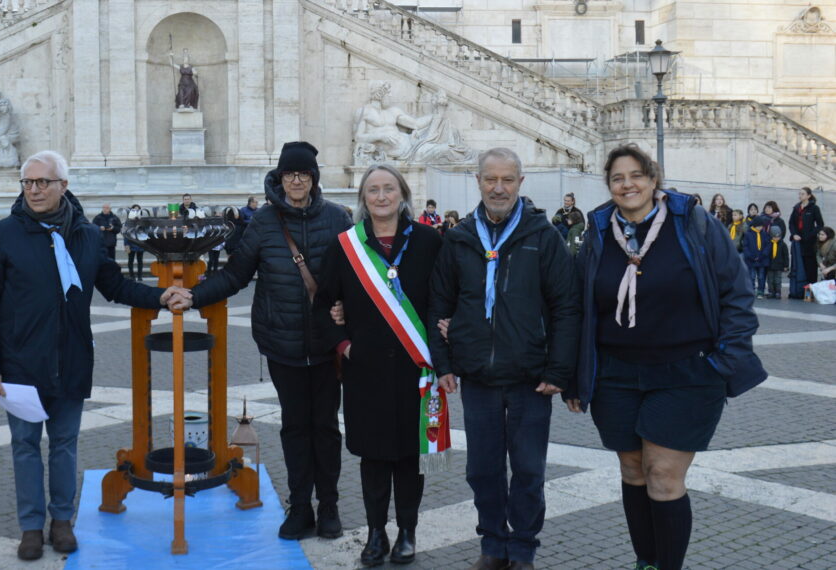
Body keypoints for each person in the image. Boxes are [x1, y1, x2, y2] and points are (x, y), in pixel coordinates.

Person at [0, 150, 187, 561]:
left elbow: (116, 285)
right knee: (24, 445)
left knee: (65, 445)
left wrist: (160, 295)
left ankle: (62, 521)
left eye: (42, 182)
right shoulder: (4, 235)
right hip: (19, 363)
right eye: (28, 183)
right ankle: (31, 527)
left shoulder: (87, 236)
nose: (34, 190)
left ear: (62, 187)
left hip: (70, 357)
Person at [571, 144, 765, 570]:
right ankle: (647, 561)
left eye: (637, 175)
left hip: (687, 372)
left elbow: (736, 292)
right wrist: (575, 372)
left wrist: (724, 359)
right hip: (616, 375)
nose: (628, 184)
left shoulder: (693, 223)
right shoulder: (600, 231)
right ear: (609, 186)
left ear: (654, 179)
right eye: (618, 178)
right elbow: (577, 304)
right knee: (633, 470)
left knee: (662, 474)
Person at [176, 141, 353, 541]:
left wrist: (350, 315)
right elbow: (236, 276)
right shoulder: (264, 223)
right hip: (283, 345)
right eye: (289, 174)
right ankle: (300, 506)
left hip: (327, 347)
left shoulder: (338, 219)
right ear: (279, 178)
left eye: (303, 174)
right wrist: (194, 295)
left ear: (313, 178)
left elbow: (355, 279)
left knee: (325, 427)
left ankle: (329, 507)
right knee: (294, 428)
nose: (296, 181)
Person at [427, 147, 580, 570]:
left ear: (520, 184)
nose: (499, 188)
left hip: (532, 378)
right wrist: (443, 363)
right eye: (490, 179)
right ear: (477, 181)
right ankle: (493, 544)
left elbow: (566, 307)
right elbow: (438, 304)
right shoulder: (458, 239)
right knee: (483, 470)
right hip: (477, 376)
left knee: (528, 470)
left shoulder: (543, 237)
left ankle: (524, 547)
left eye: (507, 180)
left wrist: (559, 370)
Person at [317, 165, 445, 566]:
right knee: (373, 458)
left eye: (389, 188)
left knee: (410, 456)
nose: (382, 196)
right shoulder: (345, 246)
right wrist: (344, 345)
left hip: (416, 371)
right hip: (365, 372)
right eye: (373, 190)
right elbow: (323, 305)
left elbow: (444, 299)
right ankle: (376, 533)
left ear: (403, 194)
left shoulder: (429, 241)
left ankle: (407, 531)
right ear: (364, 198)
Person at [788, 187, 825, 297]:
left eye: (803, 194)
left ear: (809, 195)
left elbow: (820, 225)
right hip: (798, 243)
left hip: (809, 244)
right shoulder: (796, 208)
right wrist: (794, 234)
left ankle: (809, 295)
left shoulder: (814, 208)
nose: (800, 196)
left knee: (810, 270)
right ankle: (798, 293)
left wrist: (809, 235)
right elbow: (791, 223)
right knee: (799, 268)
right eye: (799, 194)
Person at [742, 215, 770, 298]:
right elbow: (745, 246)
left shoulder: (764, 234)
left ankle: (760, 291)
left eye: (761, 226)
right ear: (754, 225)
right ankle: (752, 290)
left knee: (761, 276)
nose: (760, 228)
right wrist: (751, 256)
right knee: (752, 276)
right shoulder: (748, 234)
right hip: (751, 260)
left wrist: (763, 255)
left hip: (762, 259)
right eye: (759, 226)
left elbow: (768, 245)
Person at [124, 204, 146, 281]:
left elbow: (145, 232)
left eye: (138, 210)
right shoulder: (128, 221)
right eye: (134, 210)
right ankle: (131, 276)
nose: (136, 211)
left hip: (140, 244)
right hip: (131, 243)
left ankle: (140, 276)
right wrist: (126, 244)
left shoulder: (142, 221)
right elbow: (125, 233)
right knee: (131, 261)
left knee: (140, 261)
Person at [767, 226, 787, 299]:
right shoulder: (769, 244)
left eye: (778, 237)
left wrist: (786, 265)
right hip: (770, 265)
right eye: (774, 237)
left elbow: (785, 255)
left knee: (778, 280)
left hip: (779, 265)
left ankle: (778, 292)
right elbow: (767, 254)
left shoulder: (782, 244)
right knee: (770, 279)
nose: (776, 238)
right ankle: (771, 291)